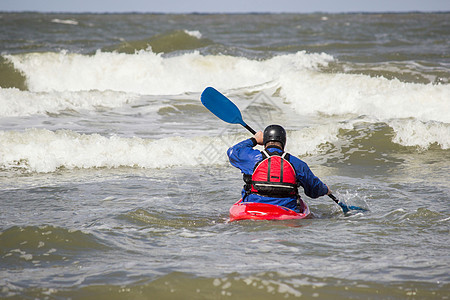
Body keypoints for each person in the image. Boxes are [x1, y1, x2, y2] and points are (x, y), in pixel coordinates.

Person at [227, 124, 331, 212]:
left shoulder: (252, 158)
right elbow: (314, 190)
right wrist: (325, 190)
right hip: (286, 210)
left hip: (253, 208)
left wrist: (254, 140)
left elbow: (232, 151)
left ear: (265, 141)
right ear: (284, 142)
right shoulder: (297, 163)